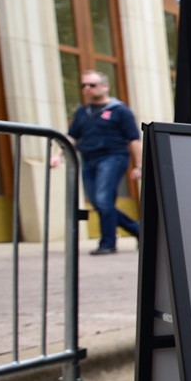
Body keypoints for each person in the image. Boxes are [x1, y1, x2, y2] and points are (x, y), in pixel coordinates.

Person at [54, 72, 141, 255]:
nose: (87, 89)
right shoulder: (82, 112)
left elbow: (134, 139)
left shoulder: (120, 110)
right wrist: (57, 155)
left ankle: (108, 243)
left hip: (113, 158)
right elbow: (71, 136)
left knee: (103, 200)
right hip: (88, 159)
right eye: (84, 85)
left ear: (105, 87)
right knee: (98, 202)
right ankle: (137, 229)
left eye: (92, 85)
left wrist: (140, 165)